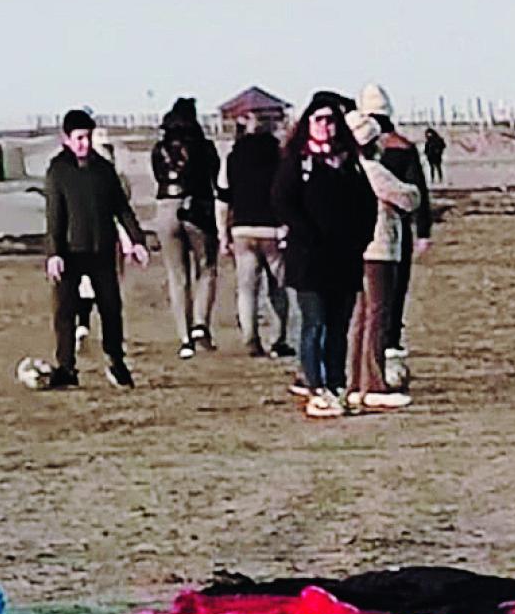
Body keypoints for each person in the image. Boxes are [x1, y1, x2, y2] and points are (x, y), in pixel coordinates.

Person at [272, 92, 377, 417]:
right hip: (309, 260)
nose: (326, 127)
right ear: (308, 124)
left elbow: (367, 205)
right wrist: (308, 235)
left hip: (344, 260)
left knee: (338, 327)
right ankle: (316, 388)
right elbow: (282, 202)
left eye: (331, 120)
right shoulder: (297, 163)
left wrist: (360, 239)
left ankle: (336, 385)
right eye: (319, 120)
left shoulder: (350, 164)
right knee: (314, 324)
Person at [44, 109, 150, 388]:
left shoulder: (103, 169)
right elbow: (54, 215)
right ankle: (66, 368)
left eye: (88, 137)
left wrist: (137, 240)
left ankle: (116, 362)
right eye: (79, 138)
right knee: (64, 312)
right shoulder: (58, 171)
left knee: (111, 308)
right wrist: (54, 253)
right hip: (70, 252)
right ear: (66, 139)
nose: (84, 143)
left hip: (102, 251)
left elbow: (121, 208)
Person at [345, 109, 421, 411]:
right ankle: (372, 381)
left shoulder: (349, 169)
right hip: (379, 250)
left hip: (359, 249)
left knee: (361, 318)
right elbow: (407, 197)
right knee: (377, 316)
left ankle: (356, 379)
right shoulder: (372, 170)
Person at [356, 84, 432, 359]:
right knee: (394, 289)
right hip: (394, 227)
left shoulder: (353, 153)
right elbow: (418, 191)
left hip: (357, 230)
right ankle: (390, 341)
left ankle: (369, 345)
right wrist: (423, 230)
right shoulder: (402, 147)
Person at [150, 97, 222, 358]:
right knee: (207, 268)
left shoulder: (160, 149)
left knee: (176, 276)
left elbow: (157, 176)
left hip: (166, 207)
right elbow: (215, 179)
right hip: (198, 207)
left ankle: (184, 337)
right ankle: (201, 324)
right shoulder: (204, 147)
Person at [219, 112, 293, 358]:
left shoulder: (232, 157)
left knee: (247, 288)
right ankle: (278, 338)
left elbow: (223, 197)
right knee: (278, 288)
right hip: (272, 228)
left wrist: (223, 234)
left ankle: (250, 339)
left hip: (242, 228)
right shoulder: (280, 156)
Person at [73, 128, 136, 344]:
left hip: (87, 238)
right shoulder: (114, 177)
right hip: (105, 237)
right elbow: (122, 211)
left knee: (86, 283)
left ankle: (83, 324)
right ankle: (97, 328)